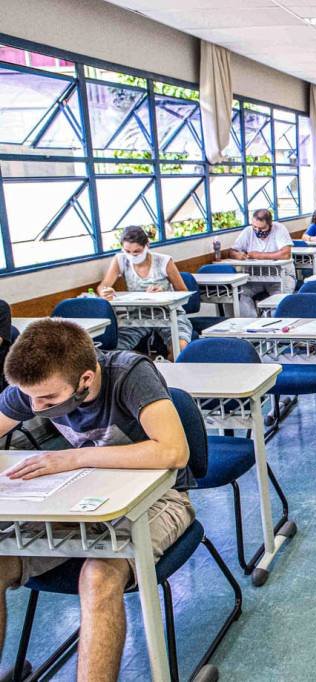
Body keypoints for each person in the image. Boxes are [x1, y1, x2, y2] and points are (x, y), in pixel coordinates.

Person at [0, 319, 192, 682]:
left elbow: (174, 452)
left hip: (160, 499)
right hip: (79, 501)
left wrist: (75, 457)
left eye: (49, 399)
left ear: (86, 379)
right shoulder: (36, 388)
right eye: (30, 398)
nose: (36, 408)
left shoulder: (129, 374)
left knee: (99, 576)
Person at [97, 226, 193, 354]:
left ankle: (169, 371)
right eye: (127, 251)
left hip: (169, 314)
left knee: (180, 349)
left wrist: (164, 293)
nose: (132, 255)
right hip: (137, 315)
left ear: (147, 245)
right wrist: (105, 292)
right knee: (112, 351)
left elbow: (183, 292)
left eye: (137, 251)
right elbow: (103, 286)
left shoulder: (163, 261)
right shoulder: (120, 260)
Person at [228, 208, 296, 317]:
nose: (257, 231)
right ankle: (251, 326)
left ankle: (274, 327)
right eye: (255, 227)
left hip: (280, 277)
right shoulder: (248, 231)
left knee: (278, 302)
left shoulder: (279, 229)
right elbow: (232, 251)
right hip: (255, 278)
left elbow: (285, 254)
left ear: (270, 224)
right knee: (241, 294)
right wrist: (237, 255)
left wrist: (258, 255)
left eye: (262, 228)